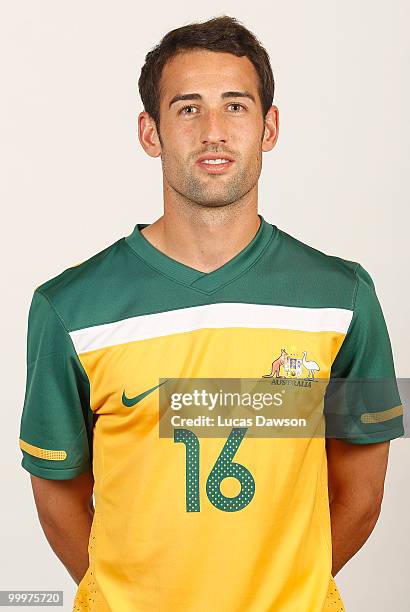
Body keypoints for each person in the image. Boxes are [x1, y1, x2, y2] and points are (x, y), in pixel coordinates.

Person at [18, 14, 404, 612]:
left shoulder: (345, 296)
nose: (214, 131)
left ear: (269, 126)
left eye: (236, 106)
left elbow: (363, 492)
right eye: (188, 108)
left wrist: (285, 592)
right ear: (151, 132)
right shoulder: (68, 307)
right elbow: (56, 494)